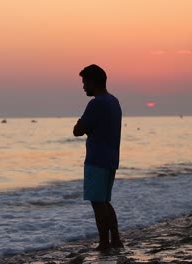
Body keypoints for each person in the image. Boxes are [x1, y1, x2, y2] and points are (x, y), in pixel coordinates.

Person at [73, 64, 124, 251]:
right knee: (104, 201)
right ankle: (116, 240)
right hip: (111, 158)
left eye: (85, 82)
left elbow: (77, 130)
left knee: (98, 203)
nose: (83, 86)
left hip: (96, 159)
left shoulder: (96, 103)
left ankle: (104, 243)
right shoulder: (114, 101)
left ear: (94, 82)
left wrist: (81, 124)